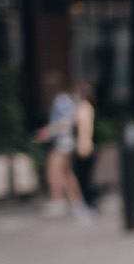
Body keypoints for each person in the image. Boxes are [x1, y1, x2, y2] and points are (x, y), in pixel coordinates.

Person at [36, 72, 89, 220]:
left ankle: (59, 202)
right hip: (66, 143)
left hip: (63, 144)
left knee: (55, 172)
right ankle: (76, 205)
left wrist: (48, 132)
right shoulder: (63, 99)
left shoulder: (61, 100)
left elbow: (67, 122)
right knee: (66, 173)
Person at [72, 83, 97, 210]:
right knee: (83, 177)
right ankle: (89, 203)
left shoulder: (83, 107)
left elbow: (84, 128)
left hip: (85, 146)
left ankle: (89, 204)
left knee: (83, 177)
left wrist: (83, 145)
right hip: (86, 145)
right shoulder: (86, 107)